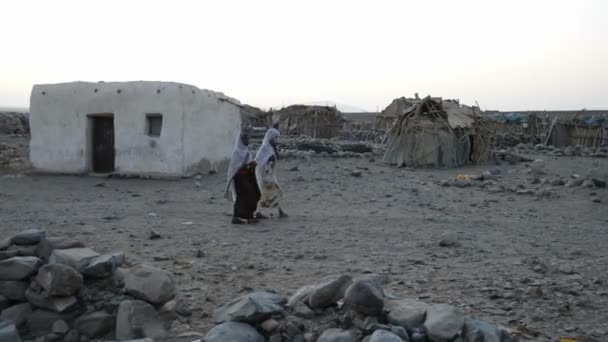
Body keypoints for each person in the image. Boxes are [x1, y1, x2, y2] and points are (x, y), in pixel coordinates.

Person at [225, 131, 261, 224]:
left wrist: (252, 166)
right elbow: (236, 168)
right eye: (244, 139)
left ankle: (249, 215)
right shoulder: (237, 152)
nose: (247, 140)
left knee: (254, 194)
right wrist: (248, 166)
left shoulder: (246, 151)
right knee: (245, 197)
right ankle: (239, 217)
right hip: (240, 178)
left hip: (248, 177)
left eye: (247, 138)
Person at [255, 128, 288, 218]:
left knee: (274, 193)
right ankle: (259, 212)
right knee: (273, 193)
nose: (276, 140)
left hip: (269, 175)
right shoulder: (265, 147)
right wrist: (270, 159)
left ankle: (279, 211)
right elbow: (261, 161)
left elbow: (275, 157)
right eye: (275, 138)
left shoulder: (270, 147)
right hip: (265, 175)